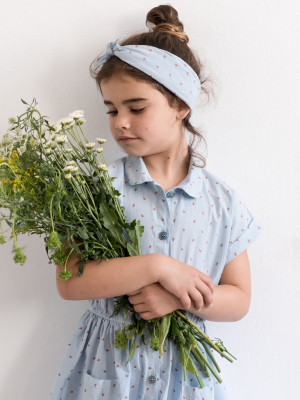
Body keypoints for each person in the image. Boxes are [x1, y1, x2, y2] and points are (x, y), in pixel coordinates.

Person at [49, 5, 264, 400]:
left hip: (183, 377)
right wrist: (158, 267)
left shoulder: (222, 203)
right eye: (112, 110)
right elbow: (69, 281)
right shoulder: (96, 188)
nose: (120, 123)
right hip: (109, 369)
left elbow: (239, 298)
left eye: (136, 107)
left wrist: (179, 298)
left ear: (181, 106)